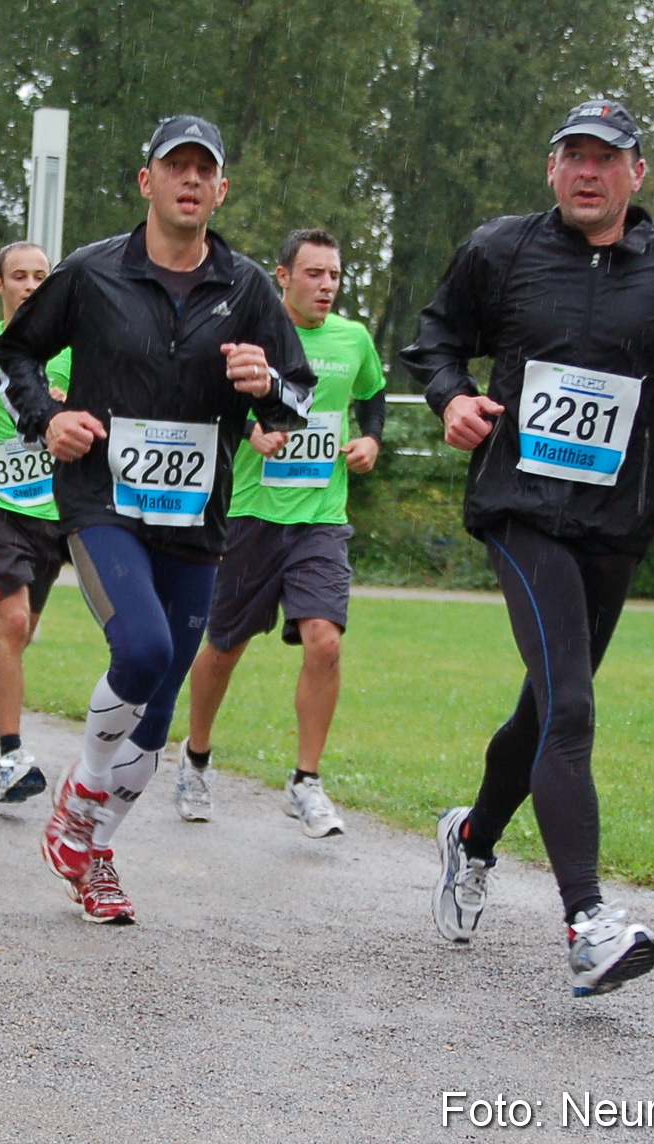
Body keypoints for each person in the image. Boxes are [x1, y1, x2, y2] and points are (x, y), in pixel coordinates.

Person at [401, 99, 654, 996]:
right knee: (571, 704)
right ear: (551, 168)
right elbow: (434, 340)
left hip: (613, 526)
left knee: (543, 708)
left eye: (606, 157)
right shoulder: (501, 250)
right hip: (520, 508)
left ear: (637, 173)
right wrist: (450, 396)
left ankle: (471, 837)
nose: (588, 172)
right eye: (574, 156)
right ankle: (587, 920)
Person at [0, 115, 314, 923]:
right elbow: (16, 354)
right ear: (147, 181)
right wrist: (46, 419)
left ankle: (95, 851)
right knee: (141, 648)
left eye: (204, 169)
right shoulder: (93, 271)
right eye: (176, 166)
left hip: (195, 516)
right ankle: (80, 794)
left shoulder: (246, 288)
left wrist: (265, 385)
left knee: (163, 700)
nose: (190, 180)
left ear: (221, 189)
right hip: (102, 499)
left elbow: (296, 396)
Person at [178, 228, 384, 835]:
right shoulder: (249, 338)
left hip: (321, 519)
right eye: (314, 274)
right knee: (224, 648)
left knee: (325, 643)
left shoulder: (353, 339)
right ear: (283, 276)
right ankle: (195, 758)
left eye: (334, 275)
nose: (326, 286)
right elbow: (202, 400)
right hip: (250, 515)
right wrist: (251, 432)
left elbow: (372, 395)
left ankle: (306, 781)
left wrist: (371, 439)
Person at [0, 241, 73, 802]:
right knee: (15, 619)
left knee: (20, 631)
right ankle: (12, 758)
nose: (30, 285)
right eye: (19, 276)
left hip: (52, 507)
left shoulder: (72, 353)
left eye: (40, 276)